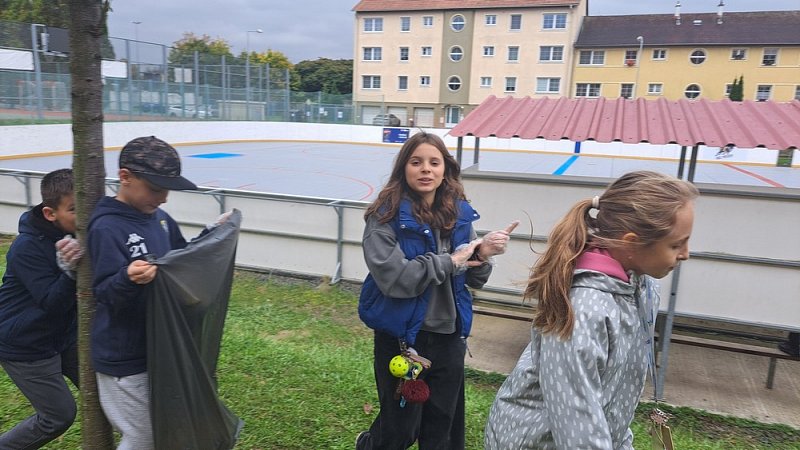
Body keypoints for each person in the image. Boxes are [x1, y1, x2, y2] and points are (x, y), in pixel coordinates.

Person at [485, 170, 699, 450]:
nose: (686, 254)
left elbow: (613, 395)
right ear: (631, 242)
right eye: (676, 244)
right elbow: (576, 419)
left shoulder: (642, 287)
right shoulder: (583, 311)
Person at [355, 131, 517, 450]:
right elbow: (395, 278)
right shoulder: (384, 217)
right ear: (403, 168)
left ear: (445, 169)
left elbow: (474, 278)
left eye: (434, 162)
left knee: (442, 430)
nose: (426, 169)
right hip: (403, 339)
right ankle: (369, 444)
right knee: (400, 429)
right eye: (416, 162)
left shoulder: (459, 215)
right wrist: (450, 261)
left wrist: (482, 255)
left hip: (449, 336)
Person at [87, 136, 199, 449]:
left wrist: (213, 237)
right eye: (155, 188)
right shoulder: (107, 227)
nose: (163, 198)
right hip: (124, 357)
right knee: (143, 436)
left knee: (165, 428)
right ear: (125, 177)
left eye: (168, 189)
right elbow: (104, 293)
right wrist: (127, 278)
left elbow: (181, 259)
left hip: (159, 347)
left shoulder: (161, 219)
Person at [0, 168, 83, 449]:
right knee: (58, 415)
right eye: (74, 209)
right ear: (50, 213)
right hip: (25, 344)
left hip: (64, 335)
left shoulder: (79, 233)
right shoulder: (26, 248)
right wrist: (69, 272)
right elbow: (52, 303)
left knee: (104, 389)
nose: (86, 216)